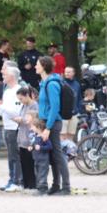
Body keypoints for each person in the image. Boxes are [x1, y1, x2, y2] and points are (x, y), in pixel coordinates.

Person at [36, 56, 71, 195]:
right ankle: (56, 185)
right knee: (52, 155)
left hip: (53, 123)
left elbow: (55, 107)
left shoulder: (52, 84)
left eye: (37, 65)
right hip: (47, 122)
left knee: (58, 154)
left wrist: (48, 128)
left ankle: (66, 186)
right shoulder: (45, 83)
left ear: (44, 66)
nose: (35, 67)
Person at [0, 66, 24, 192]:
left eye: (5, 74)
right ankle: (11, 179)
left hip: (14, 127)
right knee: (10, 155)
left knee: (15, 155)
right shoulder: (6, 92)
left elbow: (17, 112)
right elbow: (5, 112)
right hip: (7, 126)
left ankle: (17, 180)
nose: (3, 76)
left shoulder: (19, 91)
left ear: (12, 76)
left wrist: (1, 107)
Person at [14, 87, 39, 191]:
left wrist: (21, 119)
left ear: (27, 95)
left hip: (30, 137)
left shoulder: (34, 105)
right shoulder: (24, 106)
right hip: (22, 137)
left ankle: (32, 184)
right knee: (23, 162)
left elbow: (33, 119)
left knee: (30, 162)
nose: (21, 101)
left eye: (21, 99)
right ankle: (26, 184)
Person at [61, 66, 82, 142]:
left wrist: (78, 109)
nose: (66, 73)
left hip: (74, 113)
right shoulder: (61, 83)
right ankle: (64, 153)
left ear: (73, 73)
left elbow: (79, 98)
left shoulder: (77, 84)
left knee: (71, 134)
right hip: (64, 113)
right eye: (66, 72)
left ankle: (70, 151)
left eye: (69, 72)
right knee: (63, 135)